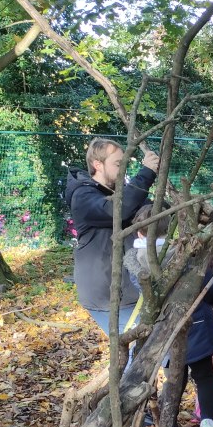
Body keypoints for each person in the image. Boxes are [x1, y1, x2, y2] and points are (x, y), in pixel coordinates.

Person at [125, 206, 213, 427]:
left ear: (139, 234)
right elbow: (211, 285)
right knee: (204, 375)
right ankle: (207, 424)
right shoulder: (181, 257)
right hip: (195, 323)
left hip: (164, 330)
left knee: (174, 378)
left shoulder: (136, 262)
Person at [65, 139, 159, 335]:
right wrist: (146, 173)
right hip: (107, 294)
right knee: (137, 354)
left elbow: (150, 210)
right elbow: (118, 211)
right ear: (97, 165)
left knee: (145, 350)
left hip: (128, 291)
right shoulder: (83, 195)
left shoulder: (118, 192)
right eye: (118, 164)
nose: (123, 170)